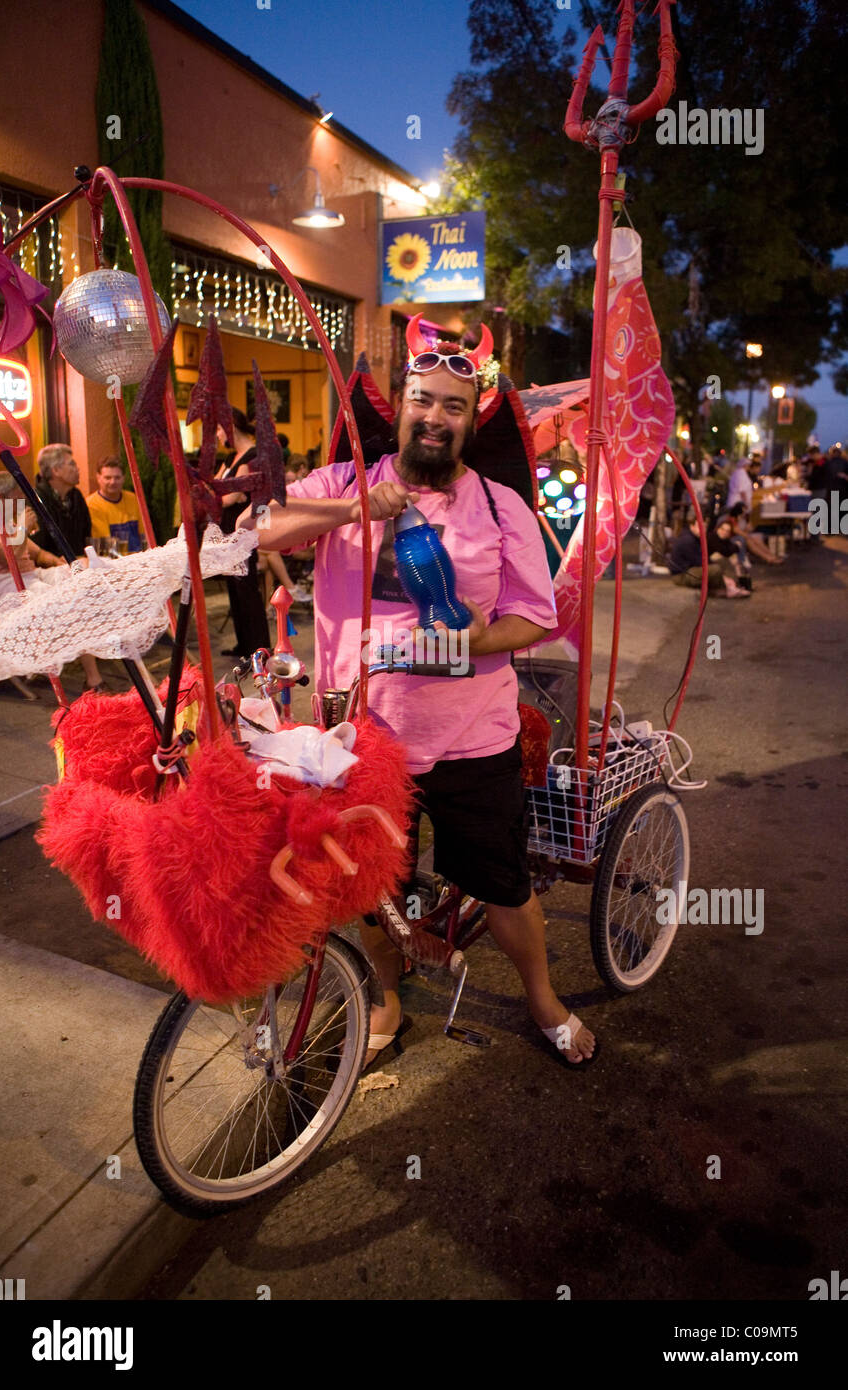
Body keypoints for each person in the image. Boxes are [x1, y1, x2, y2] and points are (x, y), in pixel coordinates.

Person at [240, 341, 599, 1068]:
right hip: (363, 740)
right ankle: (386, 1001)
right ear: (401, 408)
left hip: (473, 736)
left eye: (454, 407)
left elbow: (538, 614)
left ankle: (541, 998)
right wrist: (355, 507)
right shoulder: (342, 480)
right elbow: (259, 528)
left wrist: (477, 640)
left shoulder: (502, 506)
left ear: (471, 421)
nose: (436, 417)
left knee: (503, 884)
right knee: (370, 889)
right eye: (423, 400)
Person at [0, 471, 108, 690]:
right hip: (4, 585)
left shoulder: (4, 517)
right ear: (1, 497)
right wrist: (22, 526)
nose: (22, 500)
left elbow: (38, 554)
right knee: (70, 599)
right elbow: (8, 556)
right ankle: (93, 679)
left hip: (29, 575)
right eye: (18, 495)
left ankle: (112, 641)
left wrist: (64, 564)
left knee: (87, 570)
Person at [214, 409, 271, 660]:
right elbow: (215, 489)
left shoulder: (252, 456)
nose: (216, 434)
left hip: (243, 531)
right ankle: (243, 644)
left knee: (247, 589)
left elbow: (232, 496)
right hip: (227, 532)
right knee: (234, 589)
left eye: (217, 428)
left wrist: (216, 495)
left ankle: (259, 647)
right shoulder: (230, 459)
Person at [30, 444, 93, 561]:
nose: (77, 468)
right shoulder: (35, 499)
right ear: (56, 470)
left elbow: (86, 535)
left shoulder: (76, 495)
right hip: (51, 568)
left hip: (80, 564)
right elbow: (37, 545)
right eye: (72, 464)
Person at [667, 513, 749, 597]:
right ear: (692, 527)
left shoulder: (696, 537)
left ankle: (733, 585)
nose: (703, 529)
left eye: (705, 527)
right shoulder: (688, 540)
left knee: (722, 562)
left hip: (691, 569)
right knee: (715, 569)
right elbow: (699, 562)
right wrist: (723, 577)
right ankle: (725, 589)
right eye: (700, 527)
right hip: (682, 574)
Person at [86, 456, 145, 553]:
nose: (113, 482)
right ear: (98, 478)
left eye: (117, 478)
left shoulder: (133, 499)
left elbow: (144, 537)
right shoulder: (91, 505)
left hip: (139, 560)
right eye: (107, 478)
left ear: (123, 478)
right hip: (112, 563)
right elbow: (104, 549)